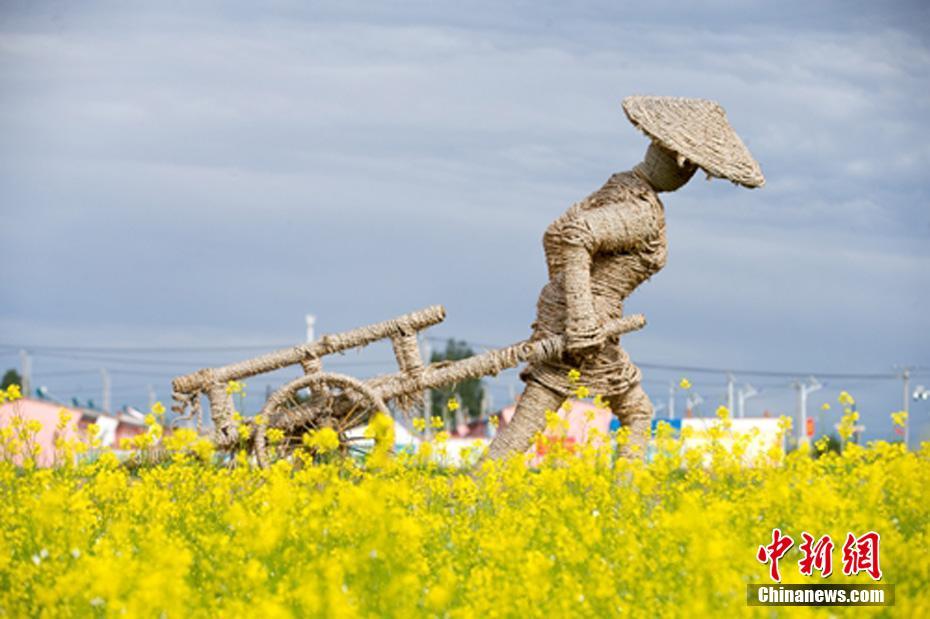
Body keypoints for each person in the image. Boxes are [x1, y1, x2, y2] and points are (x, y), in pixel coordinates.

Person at [484, 95, 765, 461]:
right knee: (545, 414)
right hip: (585, 327)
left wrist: (565, 292)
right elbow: (577, 235)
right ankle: (473, 492)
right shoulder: (640, 209)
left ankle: (624, 500)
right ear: (679, 165)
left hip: (588, 318)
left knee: (634, 413)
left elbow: (555, 233)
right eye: (691, 170)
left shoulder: (619, 185)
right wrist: (582, 314)